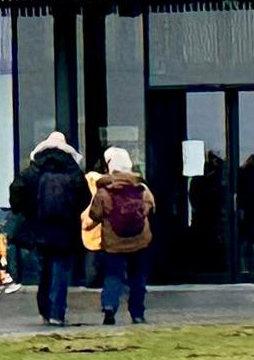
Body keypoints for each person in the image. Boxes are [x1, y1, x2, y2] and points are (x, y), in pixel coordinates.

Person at [14, 129, 91, 325]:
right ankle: (57, 312)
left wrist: (27, 212)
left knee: (44, 269)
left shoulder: (32, 171)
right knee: (61, 271)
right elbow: (85, 198)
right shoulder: (73, 171)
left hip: (39, 229)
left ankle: (44, 309)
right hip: (66, 229)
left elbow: (17, 192)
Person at [85, 144, 156, 323]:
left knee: (113, 275)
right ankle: (137, 313)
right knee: (138, 277)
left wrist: (87, 226)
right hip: (140, 240)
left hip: (113, 244)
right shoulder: (142, 188)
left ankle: (109, 308)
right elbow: (151, 208)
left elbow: (95, 215)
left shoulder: (104, 191)